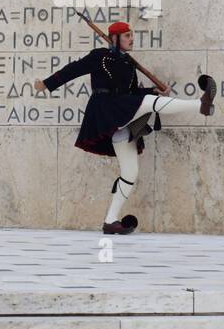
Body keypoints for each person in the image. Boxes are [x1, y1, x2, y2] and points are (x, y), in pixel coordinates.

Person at [35, 21, 214, 235]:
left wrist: (153, 91)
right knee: (148, 102)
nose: (131, 39)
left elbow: (132, 93)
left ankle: (111, 221)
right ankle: (199, 104)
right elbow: (74, 69)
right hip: (106, 108)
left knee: (130, 172)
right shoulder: (100, 56)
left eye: (131, 35)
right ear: (115, 38)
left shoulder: (129, 64)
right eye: (127, 35)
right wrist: (46, 84)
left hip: (122, 114)